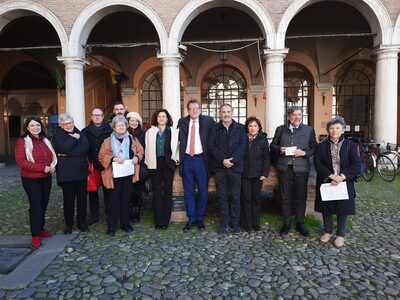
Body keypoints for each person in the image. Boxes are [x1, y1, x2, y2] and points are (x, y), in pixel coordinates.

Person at [314, 116, 361, 248]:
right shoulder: (321, 146)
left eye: (337, 128)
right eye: (332, 128)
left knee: (342, 208)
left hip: (344, 182)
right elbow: (317, 164)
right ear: (328, 130)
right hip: (326, 181)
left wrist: (341, 177)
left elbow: (356, 165)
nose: (334, 130)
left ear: (343, 130)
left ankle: (340, 234)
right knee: (326, 208)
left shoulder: (351, 146)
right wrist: (331, 176)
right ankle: (328, 231)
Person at [270, 106, 317, 236]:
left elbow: (314, 148)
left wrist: (304, 152)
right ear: (289, 116)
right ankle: (286, 223)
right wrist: (280, 149)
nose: (297, 117)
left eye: (299, 114)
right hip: (284, 168)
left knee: (301, 198)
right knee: (285, 197)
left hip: (301, 169)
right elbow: (272, 145)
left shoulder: (309, 130)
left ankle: (300, 223)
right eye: (294, 115)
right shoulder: (280, 129)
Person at [14, 117, 57, 248]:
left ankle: (41, 228)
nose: (35, 128)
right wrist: (42, 168)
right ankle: (35, 235)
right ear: (27, 127)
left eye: (38, 125)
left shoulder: (45, 140)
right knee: (36, 205)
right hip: (31, 179)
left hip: (46, 177)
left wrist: (52, 165)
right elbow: (22, 162)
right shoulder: (22, 141)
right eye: (32, 125)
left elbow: (51, 155)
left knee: (43, 204)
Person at [98, 115, 144, 236]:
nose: (121, 127)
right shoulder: (107, 141)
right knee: (113, 201)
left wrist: (136, 157)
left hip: (128, 174)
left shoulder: (132, 139)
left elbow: (140, 151)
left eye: (123, 125)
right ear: (113, 127)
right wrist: (113, 158)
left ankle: (125, 223)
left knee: (125, 199)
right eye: (118, 125)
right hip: (113, 175)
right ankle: (112, 225)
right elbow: (101, 156)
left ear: (126, 126)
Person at [208, 103, 247, 234]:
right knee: (222, 196)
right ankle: (224, 222)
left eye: (228, 112)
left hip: (236, 168)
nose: (226, 114)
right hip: (220, 167)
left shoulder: (241, 128)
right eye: (223, 112)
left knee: (236, 196)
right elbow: (211, 146)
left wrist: (233, 160)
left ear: (232, 112)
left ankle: (235, 222)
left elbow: (243, 146)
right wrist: (222, 160)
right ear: (220, 114)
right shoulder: (214, 128)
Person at [178, 99, 214, 232]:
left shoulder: (208, 121)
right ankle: (191, 219)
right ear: (188, 110)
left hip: (201, 160)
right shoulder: (182, 122)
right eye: (192, 108)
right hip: (187, 160)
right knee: (189, 192)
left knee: (203, 191)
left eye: (197, 108)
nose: (194, 111)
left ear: (200, 109)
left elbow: (214, 138)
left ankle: (200, 219)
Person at [52, 113, 90, 234]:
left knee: (82, 199)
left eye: (70, 123)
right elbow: (62, 148)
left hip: (81, 172)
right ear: (61, 125)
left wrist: (67, 154)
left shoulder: (81, 133)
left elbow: (85, 148)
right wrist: (74, 139)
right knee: (68, 200)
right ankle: (69, 224)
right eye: (65, 124)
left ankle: (81, 222)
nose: (68, 126)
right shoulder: (57, 136)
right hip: (66, 174)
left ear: (73, 122)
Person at [145, 109, 179, 229]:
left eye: (164, 116)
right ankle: (158, 220)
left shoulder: (174, 131)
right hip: (155, 164)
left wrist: (176, 161)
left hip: (168, 164)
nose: (161, 118)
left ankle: (166, 221)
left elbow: (177, 148)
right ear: (156, 118)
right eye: (159, 116)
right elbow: (147, 150)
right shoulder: (150, 132)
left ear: (167, 118)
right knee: (157, 192)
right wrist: (148, 164)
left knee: (168, 192)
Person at [82, 107, 113, 225]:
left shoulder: (109, 130)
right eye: (95, 115)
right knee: (93, 191)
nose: (97, 117)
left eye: (99, 115)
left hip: (106, 166)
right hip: (92, 166)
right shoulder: (85, 131)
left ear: (103, 116)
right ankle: (94, 214)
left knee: (108, 190)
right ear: (91, 117)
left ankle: (109, 213)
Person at [241, 116, 270, 232]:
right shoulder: (243, 139)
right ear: (247, 127)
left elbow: (266, 158)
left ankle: (255, 223)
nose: (252, 128)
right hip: (244, 174)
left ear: (259, 127)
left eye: (255, 126)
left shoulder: (263, 140)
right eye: (250, 126)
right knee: (246, 198)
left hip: (258, 174)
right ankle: (247, 223)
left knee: (256, 199)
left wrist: (264, 173)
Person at [126, 111, 146, 222]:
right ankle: (129, 210)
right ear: (128, 122)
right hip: (127, 165)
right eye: (132, 121)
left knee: (138, 189)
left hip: (139, 164)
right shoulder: (124, 132)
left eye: (136, 121)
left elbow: (145, 149)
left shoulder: (143, 133)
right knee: (128, 188)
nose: (134, 123)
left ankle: (137, 211)